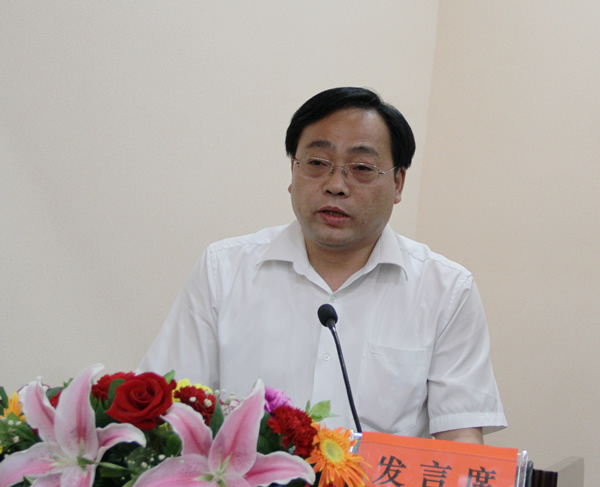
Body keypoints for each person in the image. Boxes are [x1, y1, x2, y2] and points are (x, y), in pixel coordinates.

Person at [138, 87, 507, 443]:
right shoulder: (224, 270)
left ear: (398, 183)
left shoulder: (446, 290)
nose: (336, 185)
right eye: (317, 163)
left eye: (361, 167)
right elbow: (169, 406)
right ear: (293, 172)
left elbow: (459, 435)